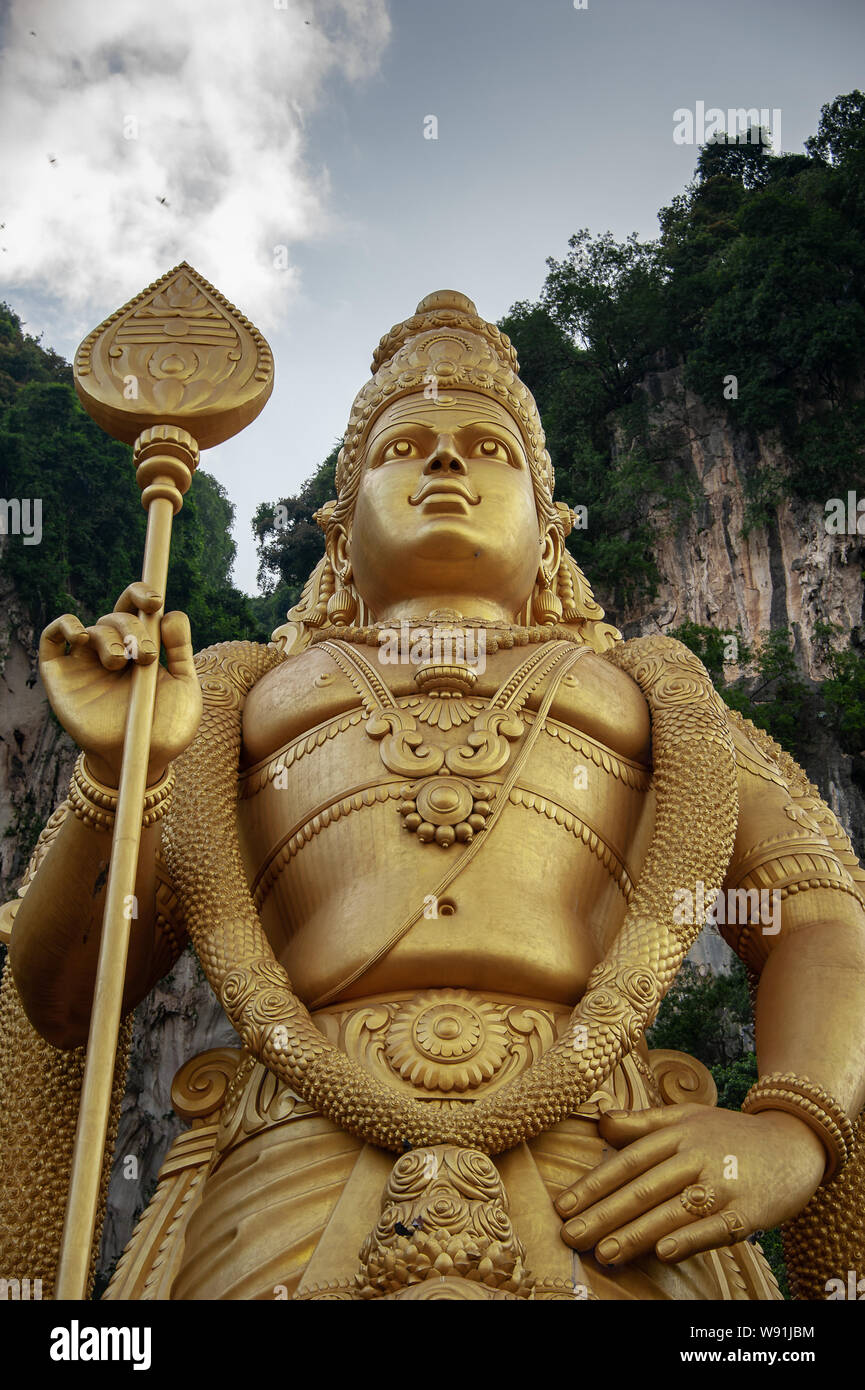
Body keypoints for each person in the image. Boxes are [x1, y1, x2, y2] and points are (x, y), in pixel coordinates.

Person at [4, 291, 865, 1301]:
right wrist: (119, 773)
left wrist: (789, 1123)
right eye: (403, 445)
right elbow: (64, 998)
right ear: (336, 531)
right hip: (293, 1155)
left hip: (607, 1160)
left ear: (552, 534)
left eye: (486, 448)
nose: (446, 460)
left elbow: (816, 912)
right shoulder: (230, 701)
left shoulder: (653, 698)